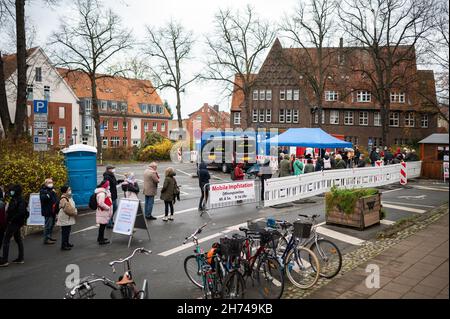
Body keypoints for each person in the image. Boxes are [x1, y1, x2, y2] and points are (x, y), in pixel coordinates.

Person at [0, 185, 27, 267]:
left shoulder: (19, 200)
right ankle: (20, 258)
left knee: (6, 240)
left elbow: (20, 212)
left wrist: (11, 220)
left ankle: (4, 260)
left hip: (14, 223)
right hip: (16, 223)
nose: (11, 192)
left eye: (12, 191)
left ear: (16, 191)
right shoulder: (16, 199)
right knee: (18, 239)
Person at [56, 186, 77, 251]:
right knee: (65, 232)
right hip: (65, 217)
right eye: (69, 189)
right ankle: (64, 245)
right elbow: (68, 210)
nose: (70, 190)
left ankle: (67, 243)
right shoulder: (64, 199)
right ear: (65, 191)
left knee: (67, 231)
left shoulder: (69, 197)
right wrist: (75, 212)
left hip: (67, 217)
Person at [40, 178, 58, 245]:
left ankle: (49, 236)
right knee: (48, 225)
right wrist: (51, 193)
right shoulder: (43, 190)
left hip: (53, 211)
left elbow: (55, 199)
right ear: (45, 183)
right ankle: (46, 239)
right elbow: (44, 198)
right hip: (47, 211)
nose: (51, 183)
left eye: (51, 182)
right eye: (49, 182)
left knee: (52, 225)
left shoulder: (52, 189)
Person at [95, 180, 112, 245]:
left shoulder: (104, 192)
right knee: (102, 226)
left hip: (103, 212)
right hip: (103, 212)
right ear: (105, 186)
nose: (109, 186)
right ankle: (101, 240)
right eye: (108, 185)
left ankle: (100, 238)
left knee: (102, 226)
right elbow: (101, 203)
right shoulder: (102, 194)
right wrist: (108, 207)